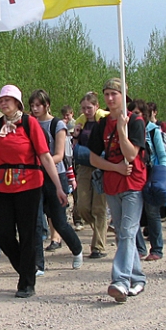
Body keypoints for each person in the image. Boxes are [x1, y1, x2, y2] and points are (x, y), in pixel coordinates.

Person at [0, 84, 66, 299]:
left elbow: (45, 156)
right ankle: (27, 270)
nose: (3, 102)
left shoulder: (30, 123)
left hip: (29, 183)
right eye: (1, 99)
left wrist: (58, 186)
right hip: (4, 183)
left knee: (28, 233)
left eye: (8, 99)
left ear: (17, 102)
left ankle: (26, 283)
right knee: (3, 232)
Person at [83, 78, 145, 301]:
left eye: (114, 94)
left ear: (123, 96)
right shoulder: (102, 124)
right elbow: (92, 157)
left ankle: (120, 280)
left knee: (128, 232)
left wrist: (121, 129)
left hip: (133, 184)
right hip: (112, 183)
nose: (110, 99)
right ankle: (137, 279)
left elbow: (131, 155)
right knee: (122, 233)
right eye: (107, 94)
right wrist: (115, 168)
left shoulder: (135, 121)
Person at [28, 90, 84, 269]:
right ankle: (38, 265)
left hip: (56, 176)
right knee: (35, 221)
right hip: (34, 176)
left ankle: (77, 249)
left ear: (46, 105)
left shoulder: (57, 125)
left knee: (59, 221)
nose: (35, 109)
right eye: (32, 106)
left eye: (38, 105)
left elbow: (59, 155)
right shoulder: (29, 124)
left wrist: (43, 162)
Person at [74, 92, 109, 259]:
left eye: (89, 107)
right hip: (84, 166)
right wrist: (75, 134)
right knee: (82, 206)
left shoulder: (104, 122)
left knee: (99, 208)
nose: (86, 111)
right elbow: (74, 145)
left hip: (102, 166)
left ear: (97, 106)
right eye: (83, 108)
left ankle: (99, 247)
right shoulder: (81, 124)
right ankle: (100, 230)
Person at [133, 99, 166, 262]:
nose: (134, 116)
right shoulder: (128, 130)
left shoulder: (153, 131)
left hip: (151, 174)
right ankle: (139, 249)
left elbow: (161, 155)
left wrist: (161, 175)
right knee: (133, 212)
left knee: (152, 212)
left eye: (137, 113)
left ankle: (157, 248)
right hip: (133, 175)